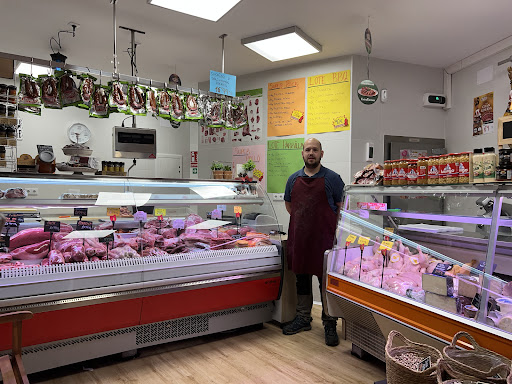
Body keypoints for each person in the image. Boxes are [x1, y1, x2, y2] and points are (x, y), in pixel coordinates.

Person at [282, 138, 345, 346]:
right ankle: (303, 317)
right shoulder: (292, 179)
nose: (311, 153)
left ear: (321, 154)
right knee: (301, 278)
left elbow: (340, 207)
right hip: (300, 239)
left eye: (315, 150)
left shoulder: (333, 179)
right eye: (307, 149)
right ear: (302, 153)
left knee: (324, 282)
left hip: (324, 239)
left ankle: (329, 323)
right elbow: (289, 206)